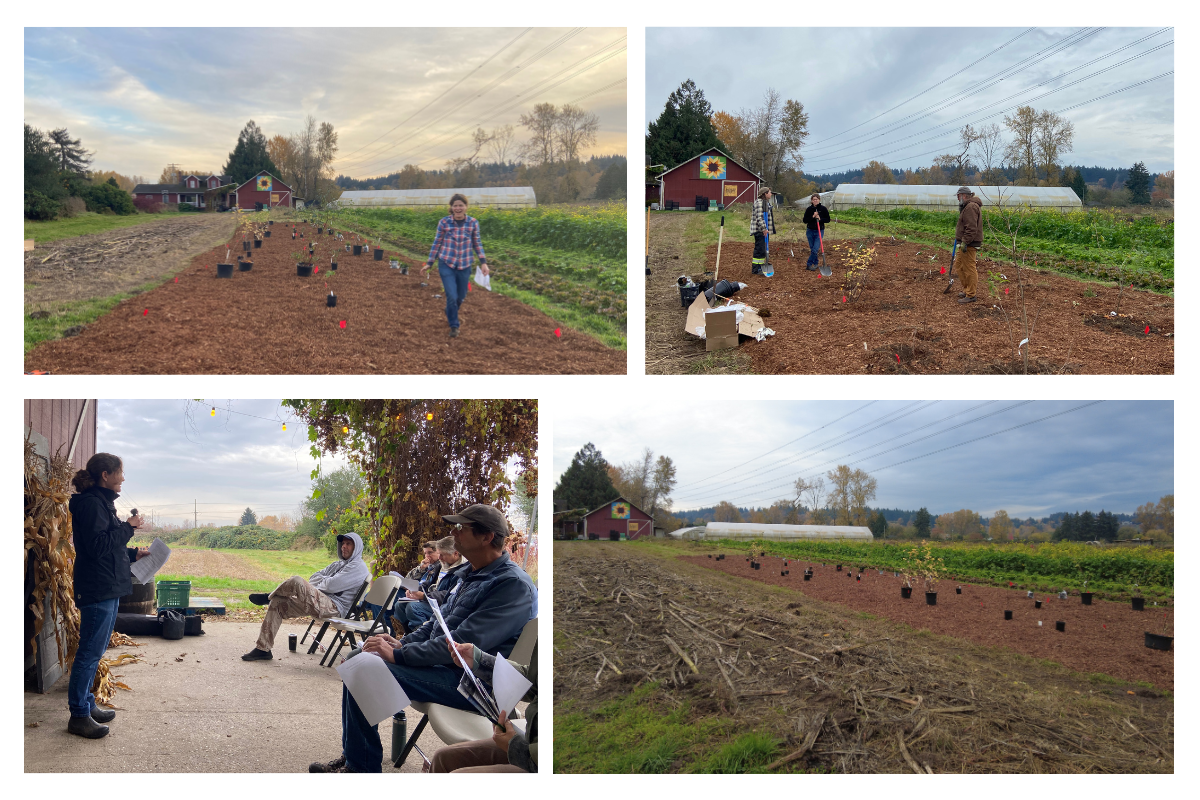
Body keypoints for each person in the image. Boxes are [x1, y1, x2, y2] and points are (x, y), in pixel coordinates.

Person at [309, 504, 534, 773]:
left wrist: (400, 655)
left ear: (487, 537)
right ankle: (356, 757)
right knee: (359, 658)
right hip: (450, 670)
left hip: (477, 686)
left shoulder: (512, 585)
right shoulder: (472, 575)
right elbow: (439, 624)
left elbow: (460, 643)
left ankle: (361, 769)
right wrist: (403, 643)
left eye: (463, 528)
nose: (454, 532)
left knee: (363, 669)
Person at [66, 453, 148, 739]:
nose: (123, 477)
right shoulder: (91, 504)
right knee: (89, 652)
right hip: (97, 589)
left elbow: (106, 547)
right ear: (106, 474)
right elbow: (96, 546)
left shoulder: (101, 503)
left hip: (107, 587)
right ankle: (78, 715)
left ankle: (86, 706)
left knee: (96, 651)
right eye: (120, 472)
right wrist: (129, 528)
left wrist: (132, 552)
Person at [241, 532, 369, 661]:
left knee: (297, 580)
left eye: (348, 544)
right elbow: (313, 578)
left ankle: (267, 596)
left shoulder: (358, 567)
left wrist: (325, 581)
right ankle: (263, 650)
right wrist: (326, 580)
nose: (343, 547)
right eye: (343, 543)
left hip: (334, 608)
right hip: (319, 601)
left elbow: (330, 586)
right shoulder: (338, 564)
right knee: (277, 602)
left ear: (356, 547)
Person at [430, 637, 537, 772]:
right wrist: (479, 660)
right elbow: (535, 681)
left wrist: (515, 746)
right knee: (443, 758)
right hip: (533, 739)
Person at [420, 194, 489, 338]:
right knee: (451, 295)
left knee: (461, 296)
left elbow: (477, 243)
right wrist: (430, 262)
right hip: (447, 263)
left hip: (465, 264)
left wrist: (483, 262)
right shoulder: (444, 222)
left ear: (466, 207)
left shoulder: (473, 223)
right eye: (455, 205)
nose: (458, 208)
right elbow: (437, 242)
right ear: (451, 207)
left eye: (460, 205)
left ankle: (450, 310)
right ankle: (454, 325)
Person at [399, 536, 468, 632]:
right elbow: (428, 583)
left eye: (442, 555)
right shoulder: (441, 565)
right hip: (431, 599)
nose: (439, 558)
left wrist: (424, 596)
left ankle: (421, 636)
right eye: (439, 554)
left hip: (443, 604)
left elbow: (449, 594)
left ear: (455, 554)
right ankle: (409, 633)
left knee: (413, 608)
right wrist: (415, 590)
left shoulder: (463, 571)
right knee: (400, 605)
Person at [953, 186, 983, 304]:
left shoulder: (971, 207)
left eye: (958, 196)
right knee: (960, 265)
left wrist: (965, 241)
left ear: (963, 196)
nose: (957, 199)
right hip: (964, 242)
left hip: (969, 243)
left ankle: (971, 295)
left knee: (969, 267)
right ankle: (967, 290)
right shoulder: (967, 206)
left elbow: (971, 227)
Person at [802, 193, 831, 271]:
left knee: (815, 249)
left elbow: (828, 219)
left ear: (819, 200)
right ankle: (815, 263)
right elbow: (805, 220)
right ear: (811, 201)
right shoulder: (809, 209)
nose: (815, 201)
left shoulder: (823, 209)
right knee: (812, 249)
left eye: (816, 199)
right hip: (810, 231)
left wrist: (820, 218)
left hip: (819, 231)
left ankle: (809, 264)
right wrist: (813, 217)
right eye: (814, 199)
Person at [750, 186, 775, 274]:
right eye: (770, 192)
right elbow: (759, 217)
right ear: (765, 194)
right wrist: (764, 229)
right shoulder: (760, 203)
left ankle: (760, 267)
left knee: (763, 249)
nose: (771, 194)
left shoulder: (765, 202)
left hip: (764, 230)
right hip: (760, 230)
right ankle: (756, 269)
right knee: (759, 250)